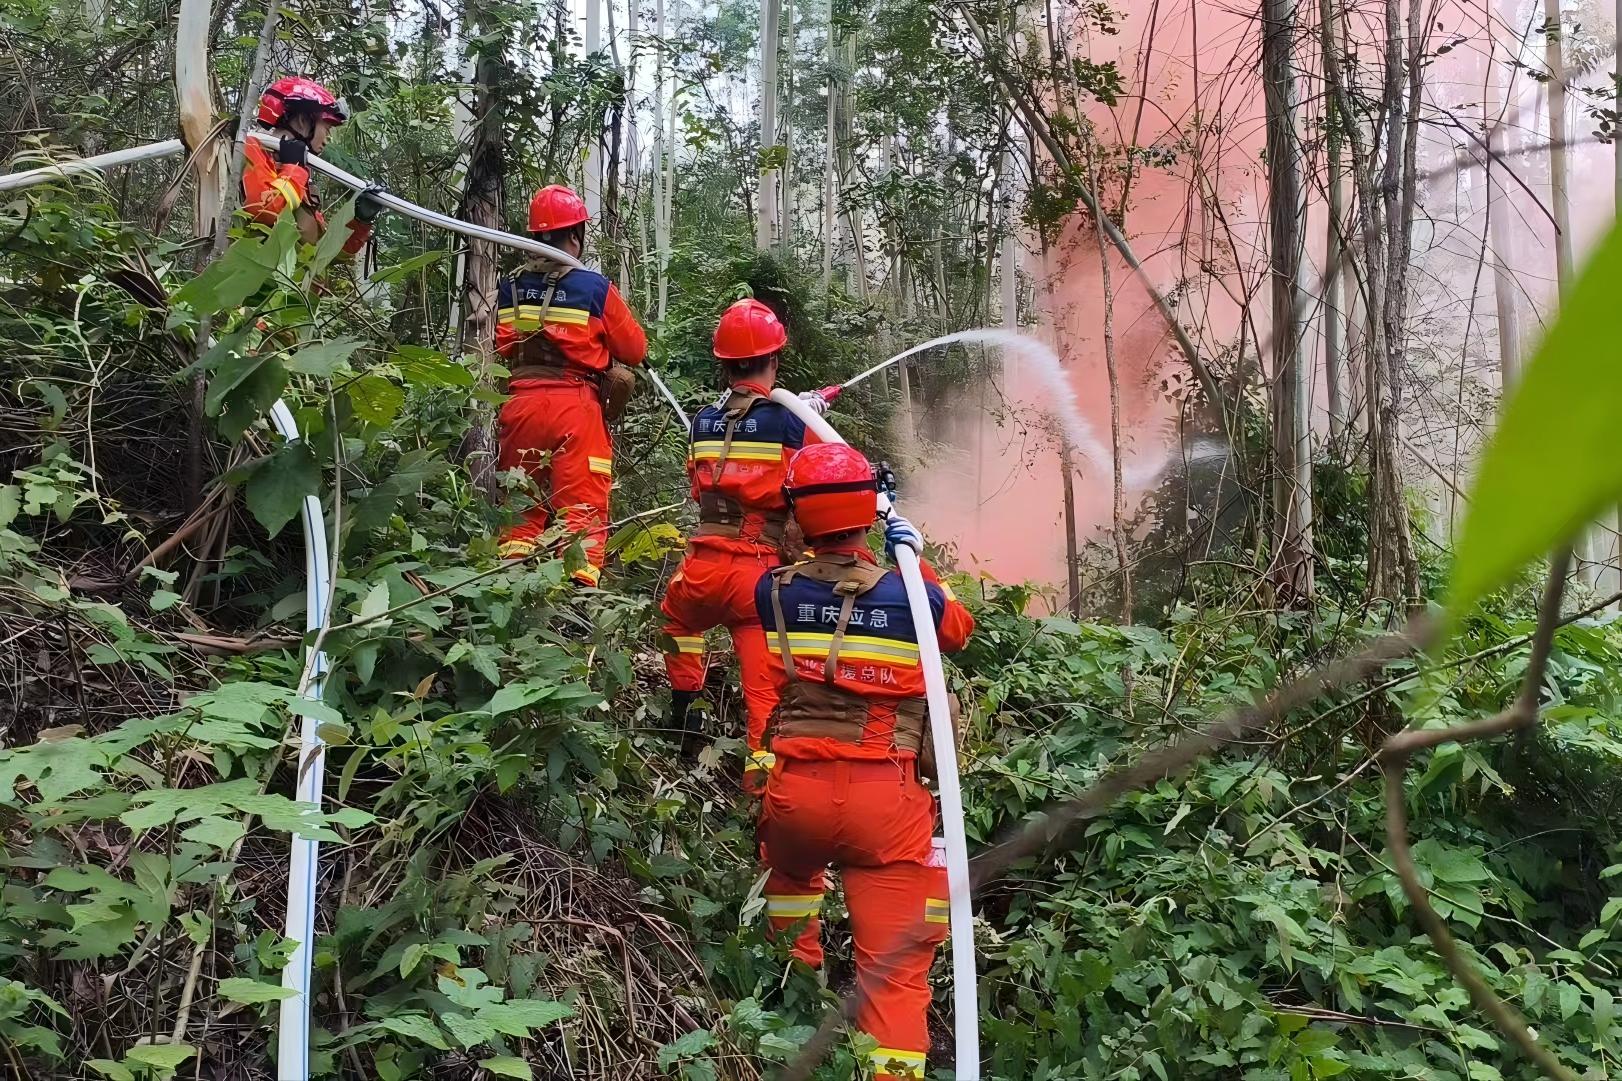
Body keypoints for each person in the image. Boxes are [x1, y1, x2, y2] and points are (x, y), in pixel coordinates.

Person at [753, 442, 974, 1081]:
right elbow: (957, 630)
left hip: (795, 793)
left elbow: (812, 581)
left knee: (790, 888)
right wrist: (915, 559)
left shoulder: (772, 592)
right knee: (894, 975)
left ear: (799, 513)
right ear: (870, 509)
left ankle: (789, 1001)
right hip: (886, 800)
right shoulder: (914, 598)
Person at [659, 298, 837, 781]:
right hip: (757, 576)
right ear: (773, 359)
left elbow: (698, 486)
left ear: (725, 364)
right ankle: (762, 789)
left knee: (678, 622)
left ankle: (685, 713)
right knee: (764, 695)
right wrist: (808, 416)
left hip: (700, 565)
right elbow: (824, 477)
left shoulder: (703, 420)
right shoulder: (791, 422)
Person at [494, 184, 647, 585]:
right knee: (582, 511)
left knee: (519, 509)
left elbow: (500, 343)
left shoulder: (510, 286)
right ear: (576, 235)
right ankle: (578, 601)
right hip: (575, 407)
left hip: (521, 404)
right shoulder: (594, 289)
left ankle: (509, 588)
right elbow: (634, 349)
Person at [243, 77, 383, 252]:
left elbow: (323, 251)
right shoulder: (252, 149)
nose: (327, 139)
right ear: (303, 120)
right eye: (327, 129)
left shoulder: (301, 178)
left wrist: (361, 221)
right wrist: (293, 169)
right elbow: (264, 212)